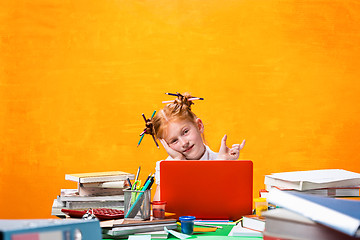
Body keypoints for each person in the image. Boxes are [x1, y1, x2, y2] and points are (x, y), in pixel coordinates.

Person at [151, 92, 245, 200]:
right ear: (166, 146)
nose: (184, 143)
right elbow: (159, 209)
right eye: (174, 141)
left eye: (185, 132)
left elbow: (231, 201)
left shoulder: (219, 159)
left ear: (199, 126)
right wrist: (178, 164)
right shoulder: (166, 166)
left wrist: (222, 166)